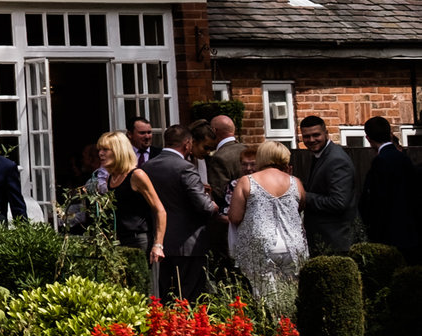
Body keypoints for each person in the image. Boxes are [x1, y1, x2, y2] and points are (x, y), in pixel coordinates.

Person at [228, 137, 310, 315]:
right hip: (293, 245)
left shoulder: (247, 181)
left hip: (261, 245)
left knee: (265, 296)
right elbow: (301, 206)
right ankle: (292, 330)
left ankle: (273, 333)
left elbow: (234, 217)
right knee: (292, 293)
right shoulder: (295, 182)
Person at [142, 123, 224, 298]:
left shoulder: (147, 167)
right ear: (187, 144)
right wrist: (213, 206)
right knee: (189, 298)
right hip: (188, 244)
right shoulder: (185, 168)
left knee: (166, 296)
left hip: (159, 242)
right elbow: (204, 206)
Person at [100, 132, 167, 281]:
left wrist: (158, 245)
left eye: (105, 150)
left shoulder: (137, 175)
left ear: (119, 151)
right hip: (119, 240)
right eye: (100, 150)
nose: (101, 154)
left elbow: (160, 210)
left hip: (138, 241)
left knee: (141, 285)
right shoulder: (112, 178)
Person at [359, 114, 421, 262]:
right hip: (411, 231)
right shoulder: (404, 159)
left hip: (390, 233)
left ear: (368, 139)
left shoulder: (381, 162)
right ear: (390, 134)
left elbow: (377, 201)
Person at [295, 115, 360, 255]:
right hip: (326, 240)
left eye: (316, 135)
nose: (311, 140)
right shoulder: (321, 155)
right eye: (306, 136)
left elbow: (338, 202)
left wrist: (303, 196)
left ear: (326, 133)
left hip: (336, 242)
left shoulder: (336, 160)